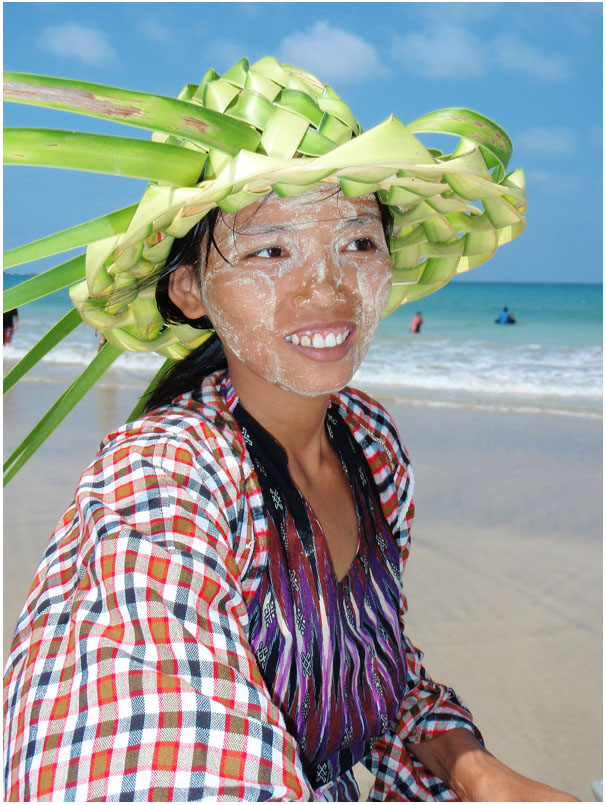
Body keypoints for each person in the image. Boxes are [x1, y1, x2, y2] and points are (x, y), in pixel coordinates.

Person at [4, 57, 575, 801]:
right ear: (190, 291)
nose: (327, 288)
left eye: (358, 243)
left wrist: (480, 770)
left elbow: (378, 670)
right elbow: (164, 751)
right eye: (270, 249)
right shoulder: (161, 476)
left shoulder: (370, 443)